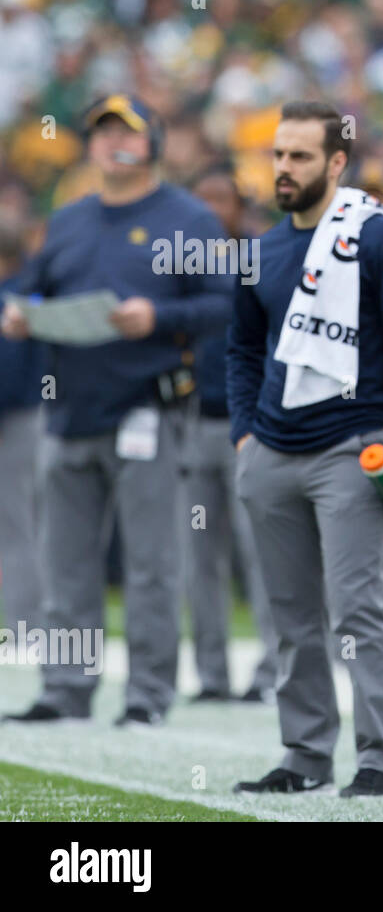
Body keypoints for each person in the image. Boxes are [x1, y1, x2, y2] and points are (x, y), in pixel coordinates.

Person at [1, 95, 229, 727]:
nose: (112, 142)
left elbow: (223, 305)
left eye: (125, 131)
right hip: (68, 410)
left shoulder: (189, 218)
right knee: (65, 563)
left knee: (152, 564)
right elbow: (29, 285)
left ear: (153, 140)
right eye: (101, 132)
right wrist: (18, 311)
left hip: (148, 410)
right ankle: (66, 689)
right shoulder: (71, 219)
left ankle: (147, 695)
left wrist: (159, 316)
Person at [227, 101, 383, 798]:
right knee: (289, 614)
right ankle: (305, 754)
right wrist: (244, 432)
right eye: (278, 154)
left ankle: (381, 756)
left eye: (299, 156)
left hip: (349, 447)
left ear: (336, 162)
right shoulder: (260, 249)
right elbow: (241, 348)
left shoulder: (373, 236)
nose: (283, 168)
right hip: (270, 448)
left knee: (357, 609)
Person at [184, 165, 278, 704]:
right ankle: (211, 673)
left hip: (252, 426)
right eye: (201, 200)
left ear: (240, 208)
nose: (210, 211)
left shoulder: (263, 259)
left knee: (261, 554)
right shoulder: (175, 263)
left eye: (220, 199)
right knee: (200, 556)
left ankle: (270, 670)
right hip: (192, 419)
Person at [0, 221, 45, 642]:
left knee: (16, 526)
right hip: (22, 416)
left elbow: (11, 374)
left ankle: (25, 628)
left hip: (16, 420)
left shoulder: (21, 294)